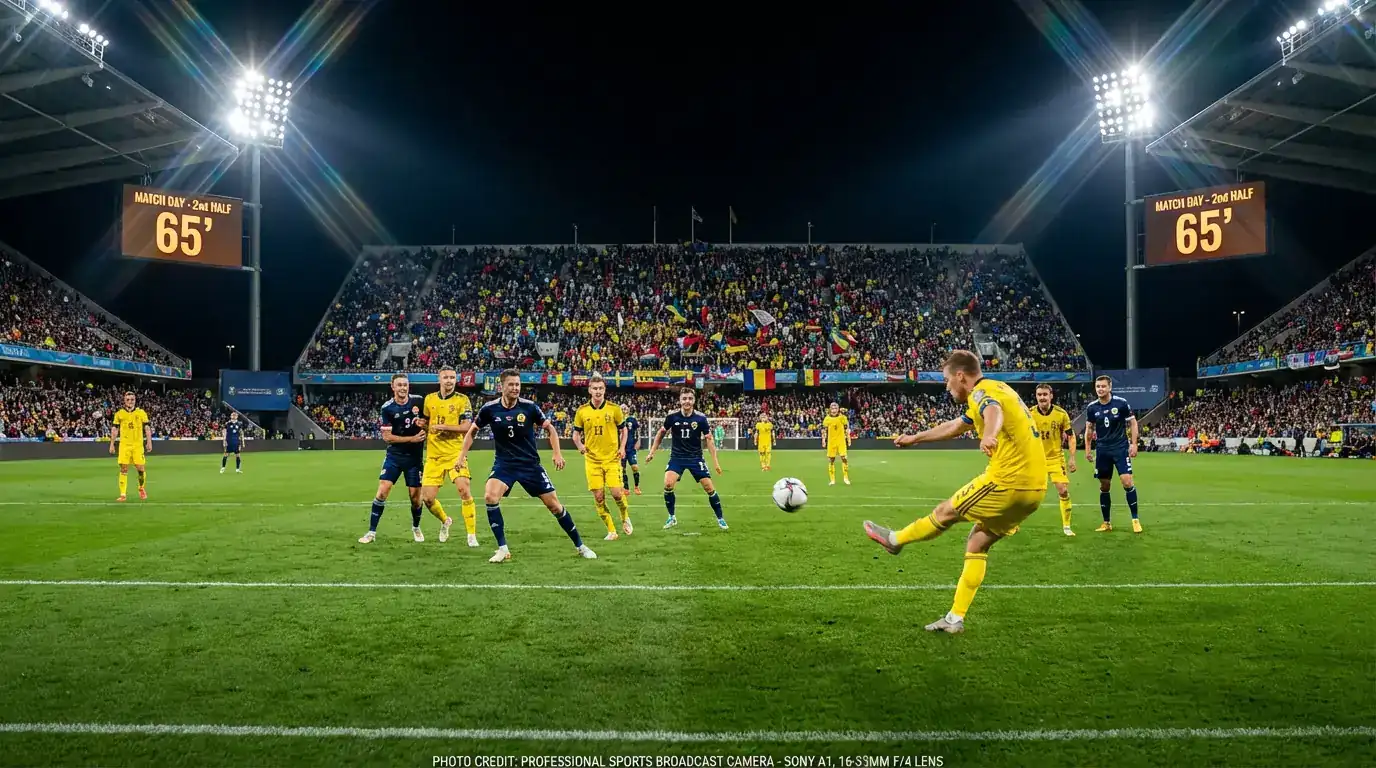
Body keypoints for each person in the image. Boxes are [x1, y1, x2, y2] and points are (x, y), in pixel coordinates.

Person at [862, 350, 1047, 634]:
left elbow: (992, 411)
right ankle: (954, 619)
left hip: (1007, 481)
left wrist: (989, 435)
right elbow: (956, 426)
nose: (947, 387)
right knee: (977, 543)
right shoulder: (1000, 387)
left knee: (944, 512)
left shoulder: (981, 392)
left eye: (948, 380)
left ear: (961, 376)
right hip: (1034, 490)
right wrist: (916, 438)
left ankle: (895, 540)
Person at [454, 369, 596, 563]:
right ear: (501, 386)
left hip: (530, 465)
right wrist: (462, 456)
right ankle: (502, 549)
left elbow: (550, 429)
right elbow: (472, 431)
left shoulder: (529, 407)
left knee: (554, 506)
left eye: (517, 384)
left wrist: (557, 453)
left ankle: (581, 546)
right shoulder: (489, 409)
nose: (515, 388)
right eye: (511, 384)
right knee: (490, 495)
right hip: (505, 464)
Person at [358, 373, 435, 544]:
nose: (402, 388)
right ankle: (371, 532)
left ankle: (416, 527)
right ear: (392, 387)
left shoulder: (419, 402)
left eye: (405, 385)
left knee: (416, 498)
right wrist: (411, 439)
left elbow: (428, 424)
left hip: (414, 459)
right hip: (394, 456)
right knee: (382, 491)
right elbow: (387, 437)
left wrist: (424, 425)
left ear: (409, 386)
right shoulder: (388, 408)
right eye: (399, 385)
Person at [646, 387, 727, 531]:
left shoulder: (701, 419)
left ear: (694, 401)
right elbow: (660, 433)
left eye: (690, 398)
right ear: (680, 400)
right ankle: (672, 517)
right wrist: (652, 452)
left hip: (696, 458)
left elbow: (709, 440)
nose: (687, 401)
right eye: (684, 398)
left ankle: (720, 519)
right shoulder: (672, 417)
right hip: (677, 457)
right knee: (668, 484)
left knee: (709, 488)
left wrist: (716, 463)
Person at [418, 366, 475, 546]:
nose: (449, 380)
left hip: (454, 454)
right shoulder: (429, 400)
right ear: (439, 379)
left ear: (455, 380)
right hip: (434, 455)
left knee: (464, 490)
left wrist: (445, 428)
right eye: (446, 377)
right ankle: (445, 521)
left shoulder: (462, 400)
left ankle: (471, 535)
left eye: (452, 377)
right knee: (427, 498)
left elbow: (467, 427)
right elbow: (428, 424)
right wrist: (422, 425)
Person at [572, 374, 633, 540]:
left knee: (617, 494)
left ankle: (624, 515)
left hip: (612, 459)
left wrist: (622, 448)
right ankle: (612, 531)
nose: (598, 391)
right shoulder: (582, 411)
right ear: (590, 390)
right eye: (595, 388)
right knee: (599, 497)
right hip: (592, 461)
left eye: (601, 388)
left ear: (605, 390)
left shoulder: (614, 409)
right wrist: (580, 446)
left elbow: (624, 430)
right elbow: (575, 435)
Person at [1084, 375, 1142, 533]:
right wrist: (1088, 449)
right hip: (1102, 450)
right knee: (1104, 485)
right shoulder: (1092, 407)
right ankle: (1106, 522)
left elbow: (1133, 422)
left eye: (1103, 386)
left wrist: (1134, 443)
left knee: (1127, 481)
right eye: (1098, 387)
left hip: (1120, 448)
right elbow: (1089, 429)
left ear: (1110, 387)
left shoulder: (1121, 403)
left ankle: (1135, 519)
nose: (1100, 389)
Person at [1029, 384, 1077, 536]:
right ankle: (1013, 524)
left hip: (1055, 458)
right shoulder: (1029, 414)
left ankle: (1067, 526)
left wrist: (1072, 458)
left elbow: (1071, 436)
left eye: (1045, 394)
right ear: (1036, 396)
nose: (1042, 397)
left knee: (1063, 490)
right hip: (1035, 459)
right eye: (1039, 395)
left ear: (1051, 396)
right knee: (1024, 494)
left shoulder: (1061, 414)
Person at [110, 391, 151, 501]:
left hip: (137, 445)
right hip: (124, 445)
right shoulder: (119, 414)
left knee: (140, 469)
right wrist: (112, 444)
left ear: (135, 400)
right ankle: (123, 494)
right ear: (124, 401)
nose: (130, 401)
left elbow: (147, 428)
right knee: (124, 468)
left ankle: (141, 488)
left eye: (132, 399)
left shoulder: (141, 413)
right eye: (128, 399)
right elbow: (114, 430)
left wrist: (149, 442)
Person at [822, 402, 851, 486]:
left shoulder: (842, 417)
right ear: (830, 410)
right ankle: (832, 480)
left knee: (844, 458)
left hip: (841, 441)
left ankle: (846, 478)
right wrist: (823, 440)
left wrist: (848, 439)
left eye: (835, 408)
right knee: (831, 460)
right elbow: (824, 430)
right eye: (832, 408)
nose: (834, 410)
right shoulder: (827, 419)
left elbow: (846, 428)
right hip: (831, 442)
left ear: (838, 409)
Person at [621, 408, 643, 496]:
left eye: (625, 408)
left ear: (628, 410)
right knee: (622, 469)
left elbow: (637, 431)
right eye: (622, 408)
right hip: (621, 449)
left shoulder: (632, 420)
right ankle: (626, 488)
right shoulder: (617, 419)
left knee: (635, 467)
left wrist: (638, 441)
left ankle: (636, 487)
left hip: (631, 448)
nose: (624, 409)